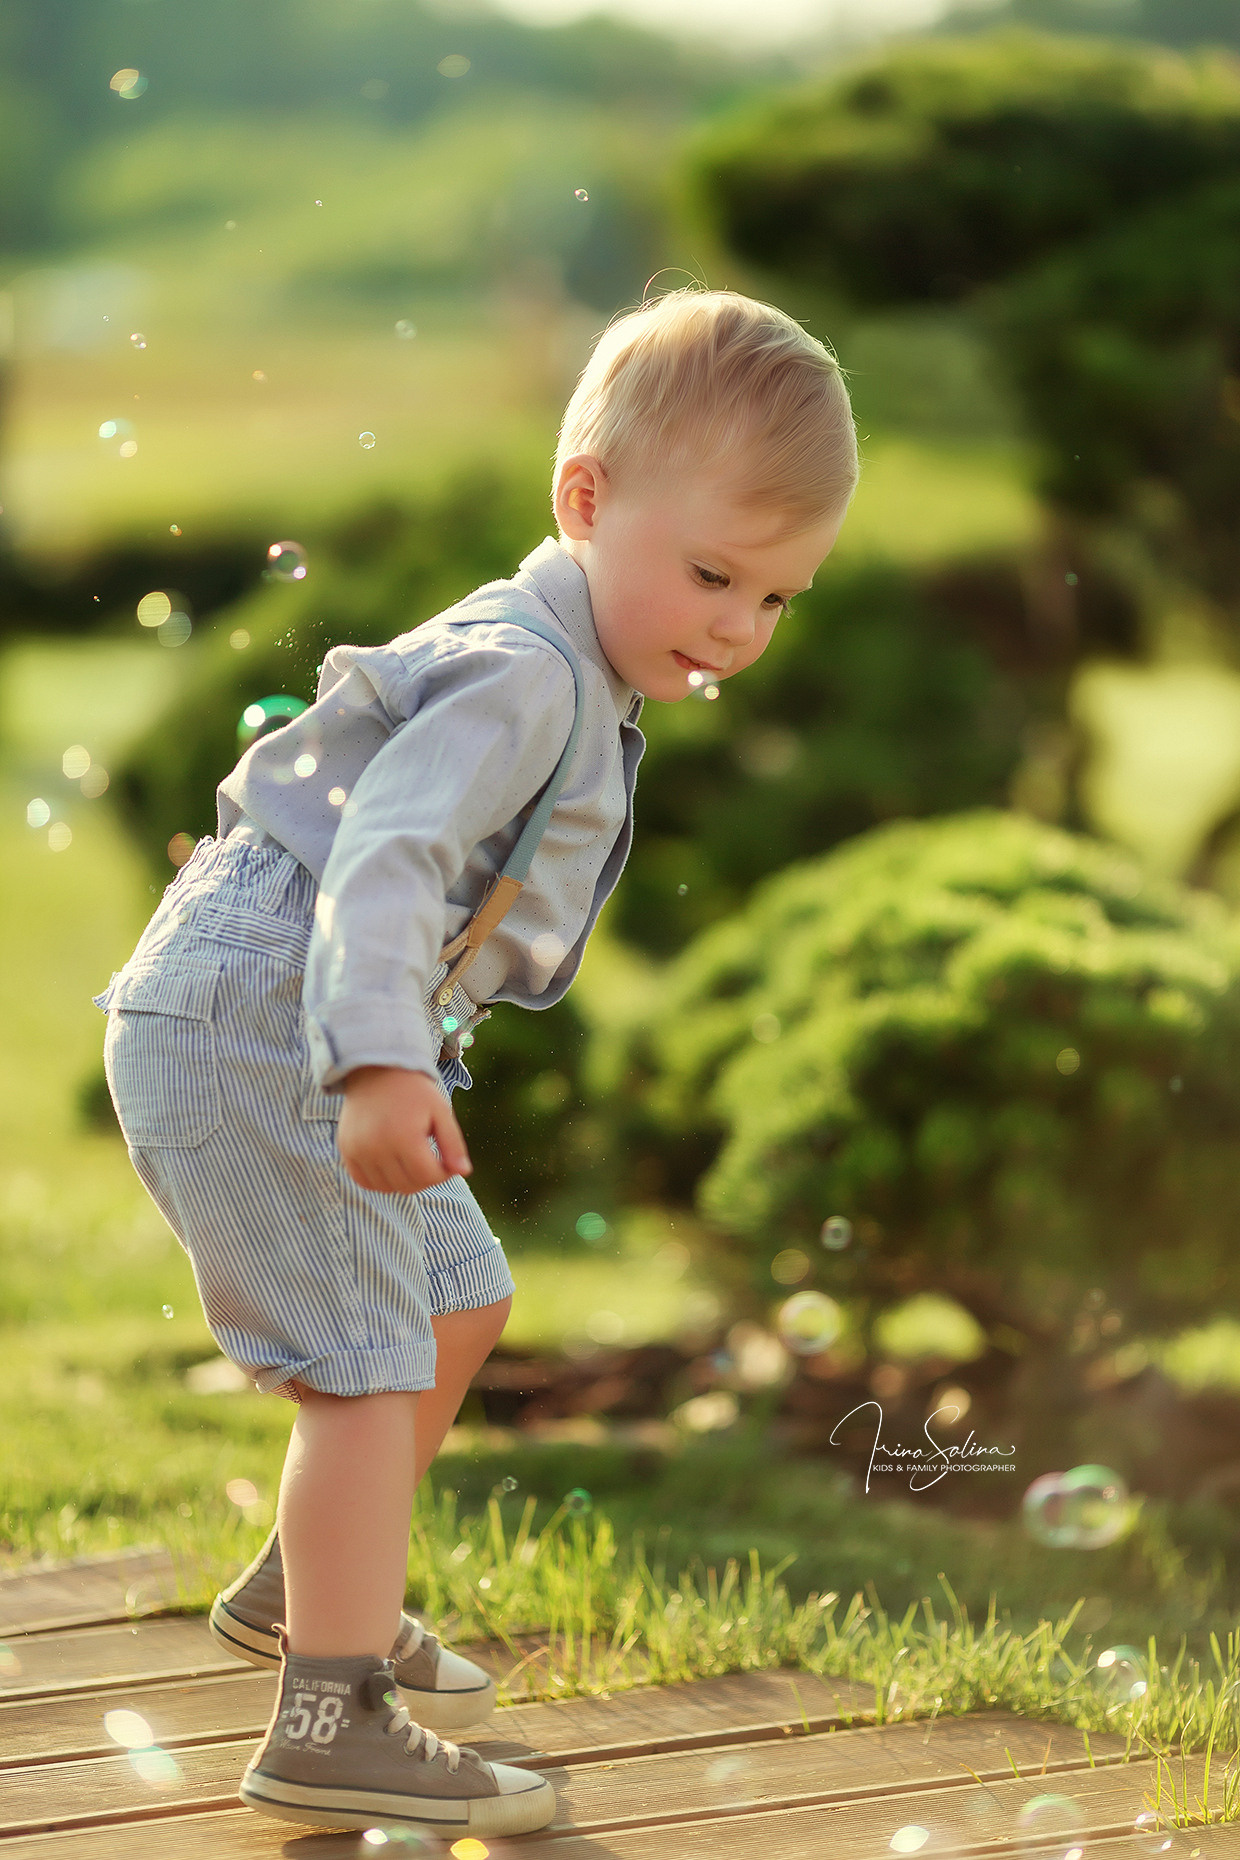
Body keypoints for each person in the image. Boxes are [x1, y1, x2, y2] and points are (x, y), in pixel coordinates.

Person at [95, 287, 859, 1838]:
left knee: (458, 1299)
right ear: (586, 501)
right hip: (273, 1006)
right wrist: (381, 1063)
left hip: (275, 1001)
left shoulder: (573, 664)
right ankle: (333, 1711)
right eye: (713, 575)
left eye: (776, 601)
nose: (735, 628)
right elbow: (382, 856)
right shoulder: (527, 671)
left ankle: (312, 1597)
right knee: (367, 1381)